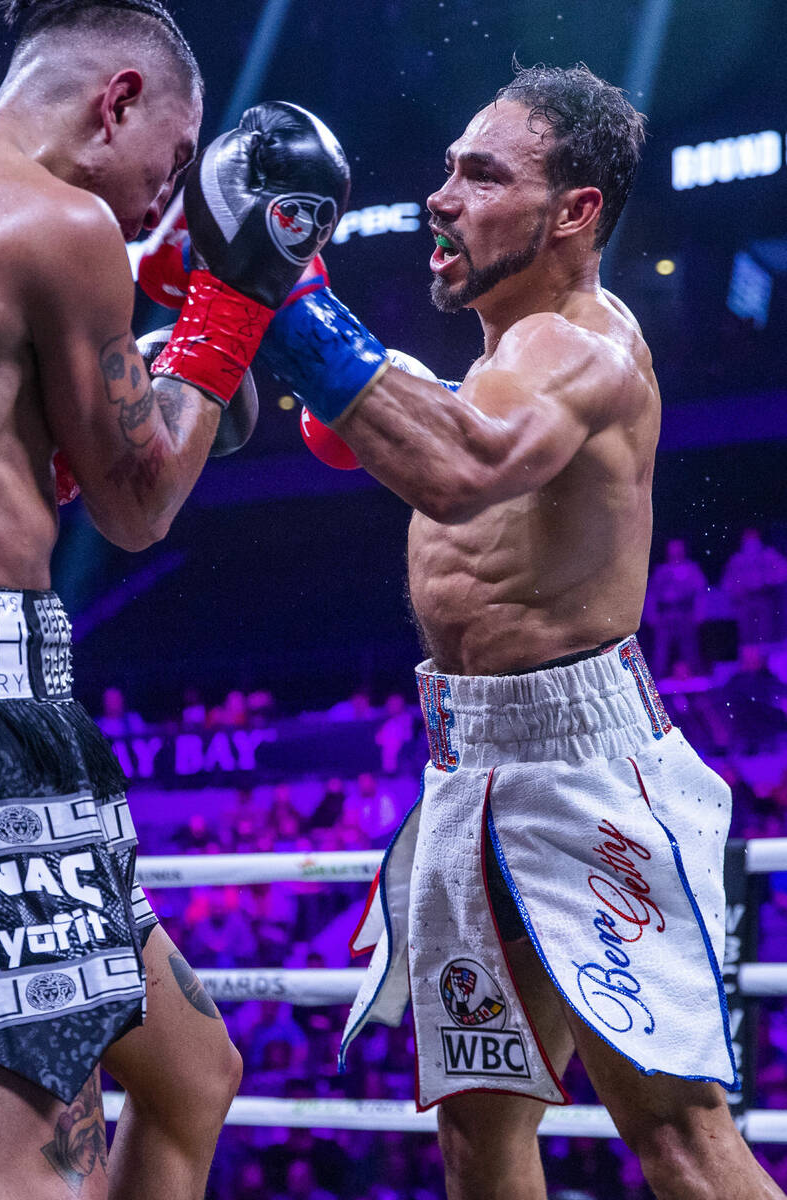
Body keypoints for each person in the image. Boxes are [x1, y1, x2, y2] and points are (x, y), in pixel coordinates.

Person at [0, 1, 347, 1196]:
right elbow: (135, 508)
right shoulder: (60, 226)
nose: (175, 192)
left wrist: (173, 342)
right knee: (37, 1181)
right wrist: (231, 304)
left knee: (195, 1069)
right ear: (120, 99)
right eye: (179, 156)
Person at [227, 63, 785, 1199]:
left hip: (583, 772)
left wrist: (282, 303)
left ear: (574, 211)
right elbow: (437, 435)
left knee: (678, 1138)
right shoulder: (499, 357)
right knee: (479, 1135)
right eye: (446, 171)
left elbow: (460, 471)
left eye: (481, 176)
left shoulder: (580, 345)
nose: (442, 197)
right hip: (468, 761)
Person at [644, 537, 709, 678]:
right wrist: (651, 615)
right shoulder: (661, 571)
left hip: (685, 614)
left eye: (678, 547)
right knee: (661, 652)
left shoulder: (692, 569)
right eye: (673, 547)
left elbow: (700, 592)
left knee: (690, 650)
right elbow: (651, 594)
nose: (676, 551)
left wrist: (700, 613)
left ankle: (694, 680)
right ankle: (657, 683)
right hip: (666, 616)